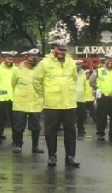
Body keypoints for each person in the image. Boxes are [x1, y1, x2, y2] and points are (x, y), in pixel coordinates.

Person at [32, 39, 79, 167]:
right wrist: (44, 95)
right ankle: (52, 156)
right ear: (53, 49)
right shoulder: (45, 63)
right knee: (51, 131)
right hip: (52, 103)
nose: (61, 52)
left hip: (69, 103)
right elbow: (36, 81)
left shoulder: (71, 62)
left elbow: (74, 79)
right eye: (59, 50)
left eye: (64, 50)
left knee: (70, 131)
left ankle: (70, 157)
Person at [10, 49, 44, 154]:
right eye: (31, 58)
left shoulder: (41, 70)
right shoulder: (17, 70)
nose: (33, 60)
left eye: (35, 58)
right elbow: (13, 84)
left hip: (35, 102)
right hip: (20, 102)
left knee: (36, 127)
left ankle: (35, 146)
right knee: (18, 126)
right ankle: (18, 145)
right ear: (26, 58)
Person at [89, 53, 112, 142]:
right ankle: (100, 134)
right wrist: (97, 89)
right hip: (103, 97)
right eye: (109, 60)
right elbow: (91, 82)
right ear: (105, 60)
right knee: (101, 116)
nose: (111, 62)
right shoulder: (99, 70)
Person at [0, 51, 17, 144]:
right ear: (3, 59)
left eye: (12, 58)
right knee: (1, 118)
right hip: (1, 98)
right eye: (8, 58)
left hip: (13, 98)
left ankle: (16, 138)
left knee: (15, 119)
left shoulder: (16, 69)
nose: (10, 60)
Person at [76, 60, 95, 137]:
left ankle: (81, 129)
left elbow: (84, 86)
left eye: (79, 65)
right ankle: (71, 130)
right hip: (71, 98)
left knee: (82, 115)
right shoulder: (70, 73)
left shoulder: (83, 74)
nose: (78, 66)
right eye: (77, 65)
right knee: (71, 117)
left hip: (81, 98)